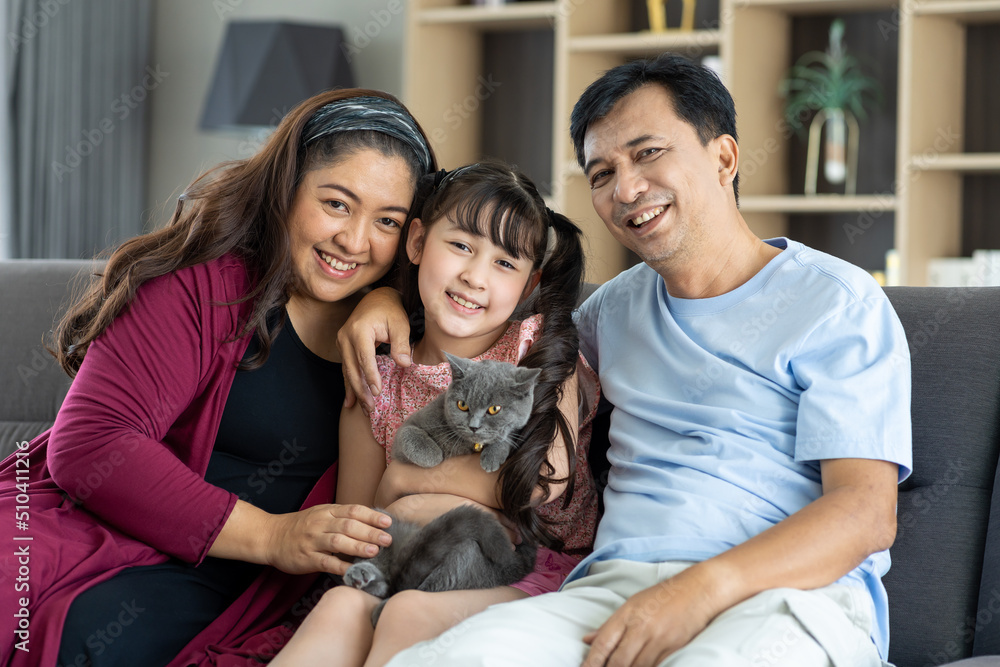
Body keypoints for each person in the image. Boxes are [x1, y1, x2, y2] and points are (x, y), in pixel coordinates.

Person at [339, 53, 913, 667]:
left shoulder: (837, 302)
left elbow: (864, 514)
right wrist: (385, 299)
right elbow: (483, 326)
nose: (625, 189)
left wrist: (697, 591)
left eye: (647, 154)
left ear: (724, 158)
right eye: (601, 172)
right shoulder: (606, 316)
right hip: (610, 592)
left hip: (789, 598)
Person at [0, 89, 438, 667]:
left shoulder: (418, 332)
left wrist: (388, 297)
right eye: (336, 204)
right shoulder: (201, 288)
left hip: (251, 590)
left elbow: (519, 278)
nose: (355, 241)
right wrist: (275, 537)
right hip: (108, 531)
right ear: (286, 191)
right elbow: (91, 444)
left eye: (387, 220)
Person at [271, 160, 600, 667]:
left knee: (407, 614)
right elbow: (362, 525)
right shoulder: (377, 379)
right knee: (340, 604)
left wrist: (401, 482)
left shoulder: (535, 349)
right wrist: (396, 503)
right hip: (407, 563)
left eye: (504, 264)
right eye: (462, 246)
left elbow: (541, 480)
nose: (474, 276)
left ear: (528, 283)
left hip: (525, 568)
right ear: (419, 241)